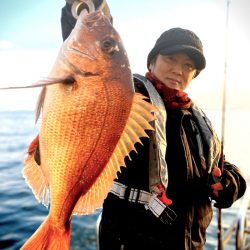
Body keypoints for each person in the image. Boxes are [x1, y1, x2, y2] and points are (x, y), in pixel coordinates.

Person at [60, 1, 247, 249]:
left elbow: (222, 165)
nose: (178, 70)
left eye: (188, 66)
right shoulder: (129, 96)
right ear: (151, 62)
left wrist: (231, 183)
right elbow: (93, 64)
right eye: (170, 58)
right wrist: (90, 13)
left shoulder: (198, 120)